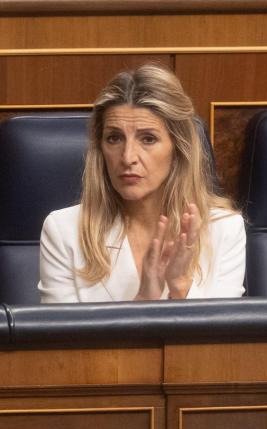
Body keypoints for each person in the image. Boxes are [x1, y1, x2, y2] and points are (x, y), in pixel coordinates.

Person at [38, 64, 246, 303]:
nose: (127, 157)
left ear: (178, 148)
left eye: (148, 139)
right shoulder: (64, 231)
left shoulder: (224, 229)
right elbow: (64, 339)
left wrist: (180, 287)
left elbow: (223, 337)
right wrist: (145, 296)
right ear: (100, 148)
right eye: (114, 138)